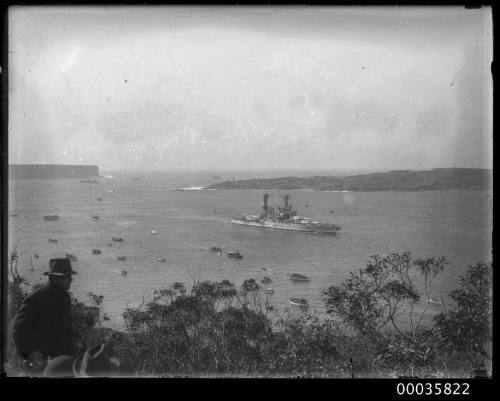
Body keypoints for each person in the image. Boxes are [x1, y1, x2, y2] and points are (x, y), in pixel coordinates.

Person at [11, 257, 77, 374]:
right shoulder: (36, 299)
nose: (71, 280)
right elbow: (17, 330)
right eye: (67, 277)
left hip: (62, 364)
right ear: (55, 278)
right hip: (40, 366)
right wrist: (31, 353)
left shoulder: (65, 298)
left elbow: (67, 331)